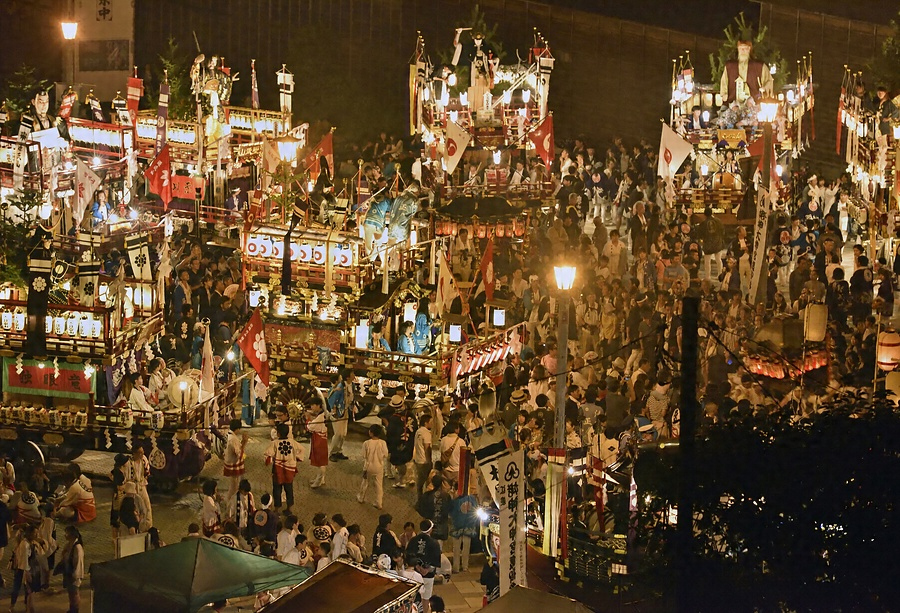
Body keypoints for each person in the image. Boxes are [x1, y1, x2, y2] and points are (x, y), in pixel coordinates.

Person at [265, 422, 304, 514]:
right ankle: (289, 508)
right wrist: (296, 458)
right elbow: (302, 449)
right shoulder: (293, 442)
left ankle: (277, 509)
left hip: (278, 469)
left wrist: (269, 460)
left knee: (277, 489)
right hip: (289, 469)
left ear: (278, 433)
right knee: (289, 489)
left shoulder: (275, 443)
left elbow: (267, 454)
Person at [405, 520, 442, 611]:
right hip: (428, 576)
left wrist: (418, 567)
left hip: (414, 574)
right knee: (426, 598)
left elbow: (408, 556)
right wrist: (426, 570)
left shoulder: (413, 540)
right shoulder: (434, 543)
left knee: (413, 598)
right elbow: (436, 561)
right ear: (430, 529)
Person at [10, 524, 44, 612]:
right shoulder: (25, 544)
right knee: (20, 588)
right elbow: (24, 560)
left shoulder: (31, 543)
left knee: (27, 590)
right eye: (35, 533)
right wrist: (27, 573)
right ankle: (14, 606)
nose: (37, 535)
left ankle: (27, 607)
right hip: (22, 569)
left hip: (27, 568)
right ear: (29, 533)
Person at [357, 424, 389, 509]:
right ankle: (379, 502)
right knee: (379, 485)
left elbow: (363, 455)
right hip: (379, 466)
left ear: (371, 433)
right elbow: (386, 454)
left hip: (368, 466)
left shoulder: (366, 443)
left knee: (365, 482)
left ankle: (361, 497)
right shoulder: (383, 443)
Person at [327, 369, 354, 461]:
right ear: (348, 377)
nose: (354, 375)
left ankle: (339, 451)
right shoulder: (340, 386)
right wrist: (334, 409)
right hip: (338, 412)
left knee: (343, 434)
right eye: (352, 374)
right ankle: (332, 453)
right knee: (338, 433)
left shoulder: (351, 385)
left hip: (345, 411)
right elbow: (332, 398)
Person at [449, 489, 479, 574]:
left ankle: (456, 567)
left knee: (457, 548)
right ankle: (464, 566)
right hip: (468, 525)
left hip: (458, 526)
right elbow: (475, 511)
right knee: (465, 548)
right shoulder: (471, 498)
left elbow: (452, 513)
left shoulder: (456, 500)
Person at [123, 446, 152, 526]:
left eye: (142, 452)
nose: (142, 454)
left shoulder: (144, 460)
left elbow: (146, 472)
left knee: (147, 506)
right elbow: (125, 476)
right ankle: (135, 526)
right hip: (132, 487)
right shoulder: (129, 463)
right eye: (140, 453)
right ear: (135, 453)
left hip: (141, 485)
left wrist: (144, 484)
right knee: (134, 507)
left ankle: (148, 525)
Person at [58, 525, 84, 613]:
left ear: (72, 535)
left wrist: (75, 575)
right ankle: (72, 608)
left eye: (67, 533)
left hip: (74, 574)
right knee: (71, 592)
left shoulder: (77, 547)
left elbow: (78, 562)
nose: (65, 535)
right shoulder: (69, 545)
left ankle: (75, 609)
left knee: (74, 593)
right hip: (68, 572)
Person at [223, 419, 248, 502]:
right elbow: (238, 452)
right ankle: (230, 502)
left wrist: (243, 441)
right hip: (233, 463)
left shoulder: (230, 435)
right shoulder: (233, 439)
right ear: (237, 429)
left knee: (234, 484)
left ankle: (230, 501)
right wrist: (244, 442)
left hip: (230, 462)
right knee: (234, 486)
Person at [306, 398, 329, 488]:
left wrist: (308, 419)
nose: (311, 407)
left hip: (319, 440)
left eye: (313, 405)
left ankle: (318, 481)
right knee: (321, 461)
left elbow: (310, 427)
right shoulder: (322, 414)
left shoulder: (320, 417)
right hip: (321, 438)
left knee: (320, 461)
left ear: (318, 405)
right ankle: (321, 479)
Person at [413, 412, 434, 500]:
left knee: (420, 482)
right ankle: (425, 500)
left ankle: (420, 498)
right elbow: (427, 448)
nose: (432, 424)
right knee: (427, 481)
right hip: (424, 461)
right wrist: (429, 461)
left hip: (418, 459)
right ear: (426, 423)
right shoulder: (426, 433)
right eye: (431, 422)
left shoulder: (418, 431)